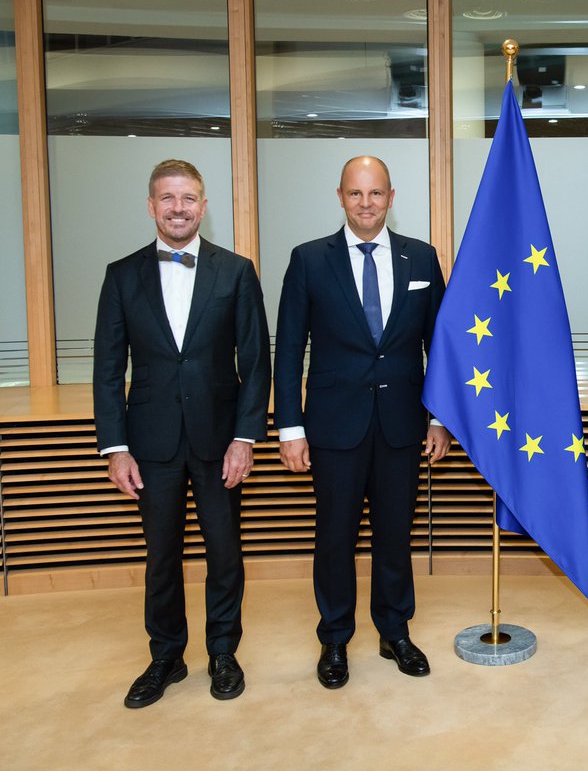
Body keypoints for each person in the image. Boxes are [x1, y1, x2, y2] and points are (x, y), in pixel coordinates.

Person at [93, 159, 271, 708]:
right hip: (150, 444)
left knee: (225, 552)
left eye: (188, 198)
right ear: (151, 206)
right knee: (161, 556)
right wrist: (116, 448)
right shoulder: (121, 275)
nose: (178, 208)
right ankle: (166, 656)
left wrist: (245, 437)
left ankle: (223, 651)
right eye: (168, 198)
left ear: (203, 205)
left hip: (220, 442)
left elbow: (256, 362)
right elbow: (107, 369)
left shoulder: (236, 271)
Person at [274, 155, 449, 689]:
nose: (366, 203)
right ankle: (334, 639)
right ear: (340, 197)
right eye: (356, 193)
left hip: (402, 424)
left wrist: (438, 418)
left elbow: (441, 347)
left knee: (395, 534)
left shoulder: (422, 257)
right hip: (333, 426)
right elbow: (289, 351)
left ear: (391, 197)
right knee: (335, 537)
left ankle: (395, 631)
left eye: (375, 193)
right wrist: (290, 428)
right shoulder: (308, 260)